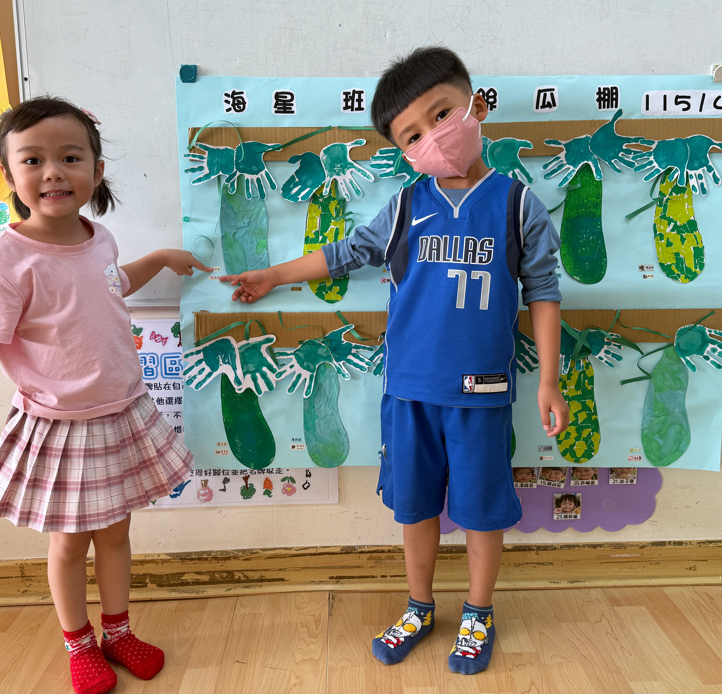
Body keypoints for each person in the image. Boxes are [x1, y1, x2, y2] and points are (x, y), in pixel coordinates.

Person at [219, 47, 568, 675]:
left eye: (442, 114)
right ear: (403, 151)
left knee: (483, 510)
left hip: (484, 392)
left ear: (476, 106)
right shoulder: (406, 206)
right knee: (415, 505)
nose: (433, 135)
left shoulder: (519, 205)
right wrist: (273, 274)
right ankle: (419, 605)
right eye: (413, 134)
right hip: (409, 390)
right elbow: (345, 253)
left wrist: (549, 380)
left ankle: (479, 612)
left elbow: (543, 292)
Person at [0, 97, 210, 694]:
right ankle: (78, 643)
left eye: (70, 157)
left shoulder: (98, 237)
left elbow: (109, 283)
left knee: (116, 533)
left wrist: (160, 258)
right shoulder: (6, 259)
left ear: (97, 170)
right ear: (10, 175)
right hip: (61, 425)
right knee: (69, 544)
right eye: (33, 160)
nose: (53, 172)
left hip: (121, 413)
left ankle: (119, 631)